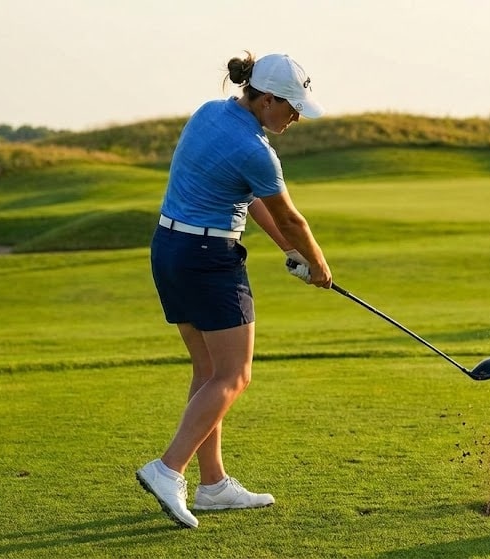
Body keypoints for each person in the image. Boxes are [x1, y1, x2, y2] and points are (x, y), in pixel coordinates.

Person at [136, 51, 332, 529]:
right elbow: (290, 216)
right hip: (209, 261)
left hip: (170, 249)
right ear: (266, 100)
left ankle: (214, 485)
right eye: (291, 105)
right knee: (235, 376)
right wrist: (320, 265)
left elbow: (250, 203)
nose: (296, 115)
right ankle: (168, 469)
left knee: (208, 371)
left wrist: (293, 251)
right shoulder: (256, 150)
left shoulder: (209, 113)